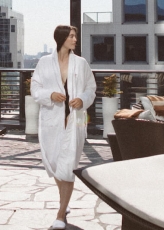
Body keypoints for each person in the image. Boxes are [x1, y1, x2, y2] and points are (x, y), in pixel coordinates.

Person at [31, 25, 96, 230]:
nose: (75, 39)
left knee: (67, 166)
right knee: (53, 163)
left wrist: (82, 99)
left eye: (75, 36)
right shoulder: (44, 62)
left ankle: (61, 213)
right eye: (71, 36)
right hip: (51, 119)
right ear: (61, 39)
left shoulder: (81, 63)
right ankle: (64, 202)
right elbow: (35, 87)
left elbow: (91, 88)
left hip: (76, 119)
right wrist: (49, 95)